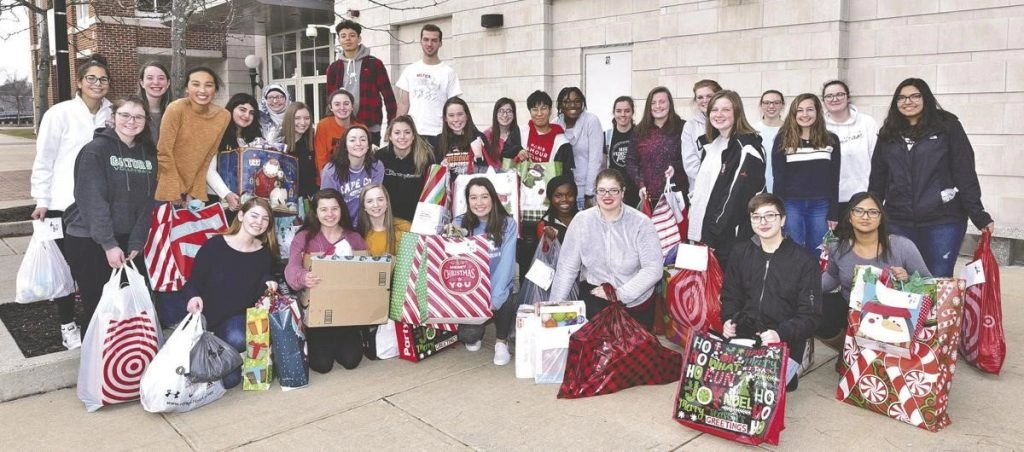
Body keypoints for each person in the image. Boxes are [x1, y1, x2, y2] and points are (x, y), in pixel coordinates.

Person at [869, 78, 994, 277]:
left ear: (926, 97)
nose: (907, 101)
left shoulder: (947, 126)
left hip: (943, 221)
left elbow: (964, 171)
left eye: (914, 96)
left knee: (937, 280)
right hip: (898, 220)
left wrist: (979, 215)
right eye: (901, 98)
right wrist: (870, 213)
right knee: (901, 279)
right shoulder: (888, 133)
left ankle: (936, 310)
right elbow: (878, 178)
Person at [30, 55, 112, 349]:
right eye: (91, 78)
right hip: (61, 204)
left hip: (98, 207)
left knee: (90, 271)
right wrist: (42, 199)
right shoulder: (59, 113)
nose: (97, 84)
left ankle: (98, 322)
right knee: (63, 270)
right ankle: (67, 324)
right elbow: (45, 158)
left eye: (102, 79)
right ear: (79, 82)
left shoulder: (112, 115)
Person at [63, 96, 156, 334]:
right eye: (125, 115)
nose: (131, 121)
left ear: (146, 121)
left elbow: (148, 202)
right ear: (112, 118)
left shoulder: (148, 154)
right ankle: (95, 366)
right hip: (90, 239)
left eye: (138, 116)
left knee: (127, 310)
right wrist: (108, 244)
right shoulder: (95, 150)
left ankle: (123, 366)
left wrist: (137, 241)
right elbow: (92, 199)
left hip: (127, 240)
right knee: (99, 309)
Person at [721, 193, 821, 391]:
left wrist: (779, 333)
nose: (763, 222)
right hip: (745, 334)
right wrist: (728, 319)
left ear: (782, 219)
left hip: (784, 340)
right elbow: (730, 295)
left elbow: (811, 316)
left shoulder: (805, 262)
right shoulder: (740, 253)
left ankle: (796, 364)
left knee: (761, 391)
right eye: (756, 217)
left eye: (770, 215)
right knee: (725, 388)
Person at [549, 169, 663, 329]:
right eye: (601, 190)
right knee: (595, 349)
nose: (607, 195)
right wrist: (554, 307)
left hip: (634, 300)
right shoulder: (582, 221)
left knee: (632, 352)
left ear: (623, 192)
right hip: (597, 295)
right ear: (595, 193)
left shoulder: (641, 223)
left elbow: (654, 269)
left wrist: (620, 294)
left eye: (613, 190)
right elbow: (567, 268)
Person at [184, 197, 279, 389]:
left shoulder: (264, 253)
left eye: (265, 219)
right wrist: (193, 297)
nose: (258, 222)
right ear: (241, 215)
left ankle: (237, 356)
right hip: (208, 322)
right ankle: (229, 358)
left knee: (236, 343)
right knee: (229, 380)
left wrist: (270, 282)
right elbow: (192, 282)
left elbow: (266, 277)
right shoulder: (215, 245)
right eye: (254, 215)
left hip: (237, 323)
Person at [818, 192, 931, 349]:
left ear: (880, 218)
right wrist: (806, 290)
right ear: (850, 216)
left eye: (872, 212)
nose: (865, 217)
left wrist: (909, 278)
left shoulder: (902, 246)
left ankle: (884, 352)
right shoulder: (838, 247)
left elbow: (928, 282)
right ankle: (848, 351)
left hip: (893, 315)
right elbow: (832, 275)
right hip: (852, 309)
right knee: (815, 309)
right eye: (859, 211)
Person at [284, 189, 368, 373]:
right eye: (324, 209)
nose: (330, 214)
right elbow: (291, 268)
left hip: (347, 313)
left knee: (351, 360)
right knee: (321, 365)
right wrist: (303, 277)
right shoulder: (304, 238)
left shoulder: (354, 238)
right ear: (315, 212)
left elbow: (367, 270)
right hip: (317, 313)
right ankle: (315, 339)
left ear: (342, 210)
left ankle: (349, 338)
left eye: (334, 209)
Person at [688, 90, 767, 268]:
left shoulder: (747, 147)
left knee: (731, 292)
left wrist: (714, 236)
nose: (719, 114)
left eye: (725, 109)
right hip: (706, 234)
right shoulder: (713, 144)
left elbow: (736, 198)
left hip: (730, 239)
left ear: (737, 112)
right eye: (714, 110)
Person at [452, 178, 518, 366]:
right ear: (467, 200)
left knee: (507, 293)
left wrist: (495, 299)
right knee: (469, 337)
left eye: (484, 197)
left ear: (493, 198)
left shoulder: (507, 224)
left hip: (498, 284)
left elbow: (506, 264)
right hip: (471, 290)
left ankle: (501, 342)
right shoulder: (459, 223)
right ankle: (476, 331)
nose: (479, 203)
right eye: (473, 197)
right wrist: (453, 235)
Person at [772, 93, 841, 255]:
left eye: (810, 110)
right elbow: (779, 178)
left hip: (821, 205)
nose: (805, 115)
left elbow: (834, 179)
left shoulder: (831, 140)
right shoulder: (783, 140)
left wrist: (834, 212)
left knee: (819, 251)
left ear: (818, 112)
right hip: (791, 205)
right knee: (793, 251)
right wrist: (778, 210)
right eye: (800, 110)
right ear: (793, 114)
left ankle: (816, 281)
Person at [154, 67, 231, 205]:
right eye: (196, 84)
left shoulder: (223, 116)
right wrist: (173, 191)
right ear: (187, 89)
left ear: (215, 90)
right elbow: (164, 153)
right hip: (165, 186)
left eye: (208, 85)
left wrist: (194, 191)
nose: (202, 90)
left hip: (190, 193)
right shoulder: (176, 108)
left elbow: (207, 157)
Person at [325, 20, 397, 147]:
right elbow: (330, 100)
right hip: (342, 126)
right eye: (343, 36)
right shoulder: (334, 68)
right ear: (339, 40)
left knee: (369, 161)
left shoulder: (374, 64)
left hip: (370, 125)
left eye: (352, 35)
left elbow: (389, 97)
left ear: (359, 38)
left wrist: (392, 125)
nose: (348, 39)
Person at [395, 24, 462, 148]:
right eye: (426, 39)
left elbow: (454, 107)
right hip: (414, 134)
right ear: (420, 41)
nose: (429, 44)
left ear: (440, 43)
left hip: (440, 134)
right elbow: (403, 104)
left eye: (434, 40)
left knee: (437, 168)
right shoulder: (410, 70)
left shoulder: (449, 72)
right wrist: (395, 131)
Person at [822, 80, 878, 214]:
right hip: (828, 200)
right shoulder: (819, 126)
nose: (834, 99)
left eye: (839, 94)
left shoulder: (867, 122)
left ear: (848, 97)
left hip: (861, 198)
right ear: (823, 101)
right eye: (829, 96)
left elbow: (876, 160)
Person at [626, 86, 686, 209]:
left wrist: (676, 167)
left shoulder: (683, 127)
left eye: (662, 102)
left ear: (670, 103)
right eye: (653, 103)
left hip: (676, 197)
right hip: (648, 197)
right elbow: (631, 161)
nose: (657, 106)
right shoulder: (639, 131)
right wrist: (641, 184)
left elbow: (691, 158)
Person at [320, 125, 384, 228]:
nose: (358, 143)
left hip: (368, 223)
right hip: (340, 226)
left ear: (369, 145)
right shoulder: (330, 171)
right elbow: (328, 207)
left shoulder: (377, 166)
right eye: (352, 140)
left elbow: (375, 201)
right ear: (345, 145)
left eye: (363, 140)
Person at [208, 93, 262, 212]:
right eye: (242, 110)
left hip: (247, 202)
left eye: (251, 113)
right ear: (231, 109)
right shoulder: (217, 133)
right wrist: (227, 194)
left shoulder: (255, 138)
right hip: (218, 200)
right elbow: (208, 170)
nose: (246, 115)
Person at [376, 115, 436, 222]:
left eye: (407, 132)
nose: (402, 137)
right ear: (390, 136)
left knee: (408, 239)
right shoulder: (379, 157)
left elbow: (432, 193)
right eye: (397, 132)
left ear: (413, 136)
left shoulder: (426, 158)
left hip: (414, 221)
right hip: (386, 219)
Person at [554, 87, 604, 208]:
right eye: (567, 101)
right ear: (560, 105)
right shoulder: (555, 123)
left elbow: (595, 160)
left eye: (577, 101)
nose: (572, 105)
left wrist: (589, 194)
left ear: (582, 103)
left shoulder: (591, 121)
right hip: (562, 191)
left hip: (585, 190)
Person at [681, 79, 723, 192]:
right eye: (700, 97)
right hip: (700, 189)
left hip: (725, 187)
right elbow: (690, 163)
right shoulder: (690, 126)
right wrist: (709, 180)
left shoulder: (728, 122)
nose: (704, 100)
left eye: (709, 96)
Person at [314, 89, 362, 181]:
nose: (342, 108)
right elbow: (321, 159)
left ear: (352, 106)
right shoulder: (323, 125)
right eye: (337, 104)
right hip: (329, 178)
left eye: (346, 103)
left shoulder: (360, 128)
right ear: (330, 107)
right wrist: (327, 183)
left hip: (353, 180)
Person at [437, 97, 490, 177]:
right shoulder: (439, 140)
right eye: (451, 115)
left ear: (467, 116)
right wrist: (440, 168)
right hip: (449, 188)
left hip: (473, 187)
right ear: (445, 118)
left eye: (460, 114)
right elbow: (434, 176)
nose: (456, 119)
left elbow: (489, 171)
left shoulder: (479, 138)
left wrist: (479, 157)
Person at [605, 95, 639, 207]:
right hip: (614, 191)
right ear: (614, 113)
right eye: (619, 111)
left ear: (632, 112)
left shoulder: (640, 134)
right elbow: (602, 165)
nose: (623, 114)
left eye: (627, 111)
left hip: (636, 190)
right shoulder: (607, 136)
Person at [358, 184, 410, 256]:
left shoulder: (404, 227)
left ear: (387, 203)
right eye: (370, 201)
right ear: (364, 206)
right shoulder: (360, 235)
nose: (376, 205)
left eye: (380, 199)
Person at [283, 102, 317, 199]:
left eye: (307, 118)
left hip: (308, 201)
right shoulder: (278, 143)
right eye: (297, 118)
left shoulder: (313, 142)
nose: (302, 123)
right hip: (284, 201)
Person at [753, 90, 784, 192]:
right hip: (758, 189)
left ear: (782, 105)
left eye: (776, 102)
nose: (771, 106)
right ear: (760, 106)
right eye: (766, 103)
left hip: (785, 189)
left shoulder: (791, 130)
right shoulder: (752, 130)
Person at [536, 174, 579, 243]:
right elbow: (545, 251)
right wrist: (550, 238)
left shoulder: (583, 218)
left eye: (570, 195)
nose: (564, 199)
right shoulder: (545, 224)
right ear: (550, 197)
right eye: (558, 196)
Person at [137, 62, 171, 143]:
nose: (156, 82)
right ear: (142, 83)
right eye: (150, 78)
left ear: (168, 83)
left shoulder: (175, 112)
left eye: (161, 78)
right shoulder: (131, 112)